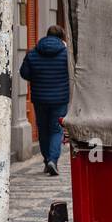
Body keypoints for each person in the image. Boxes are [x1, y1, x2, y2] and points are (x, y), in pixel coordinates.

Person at [20, 26, 71, 177]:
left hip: (40, 98)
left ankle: (47, 159)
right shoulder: (66, 54)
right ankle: (53, 160)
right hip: (60, 99)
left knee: (43, 129)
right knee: (56, 129)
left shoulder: (33, 53)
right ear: (61, 37)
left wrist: (38, 77)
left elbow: (24, 73)